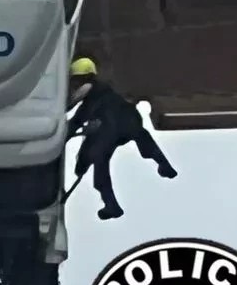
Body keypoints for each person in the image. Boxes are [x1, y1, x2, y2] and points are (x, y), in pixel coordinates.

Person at [66, 57, 177, 220]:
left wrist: (66, 143)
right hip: (128, 122)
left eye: (75, 81)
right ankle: (164, 165)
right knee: (141, 137)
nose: (74, 86)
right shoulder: (109, 93)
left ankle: (111, 205)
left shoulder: (90, 92)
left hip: (108, 130)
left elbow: (75, 118)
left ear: (82, 79)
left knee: (99, 162)